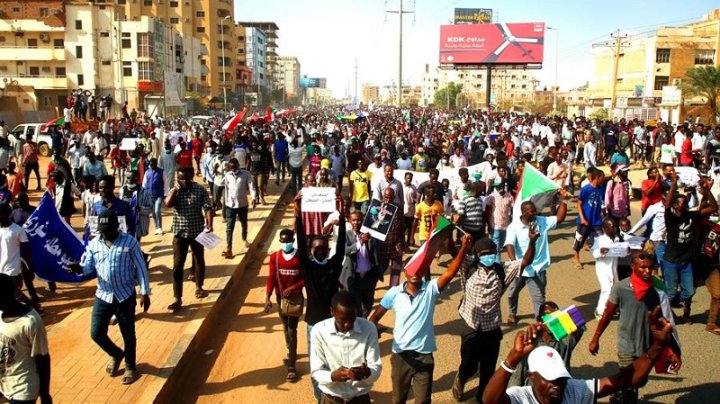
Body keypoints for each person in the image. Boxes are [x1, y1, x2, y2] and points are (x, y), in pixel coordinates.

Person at [483, 307, 676, 404]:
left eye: (561, 378)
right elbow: (490, 401)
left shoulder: (575, 391)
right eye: (550, 379)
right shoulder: (521, 397)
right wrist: (513, 358)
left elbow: (626, 379)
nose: (557, 385)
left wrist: (655, 349)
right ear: (531, 377)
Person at [369, 234, 472, 404]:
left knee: (423, 400)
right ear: (405, 271)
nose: (415, 272)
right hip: (401, 356)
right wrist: (375, 333)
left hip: (424, 356)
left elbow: (450, 272)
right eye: (411, 268)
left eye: (419, 268)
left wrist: (463, 250)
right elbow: (374, 318)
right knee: (398, 399)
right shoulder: (393, 293)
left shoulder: (430, 289)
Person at [452, 230, 538, 402]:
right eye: (484, 254)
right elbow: (452, 252)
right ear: (477, 256)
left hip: (491, 329)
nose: (489, 257)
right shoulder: (468, 266)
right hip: (471, 327)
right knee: (468, 365)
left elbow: (526, 261)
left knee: (488, 370)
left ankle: (482, 398)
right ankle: (461, 379)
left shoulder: (503, 270)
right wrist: (459, 244)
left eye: (492, 253)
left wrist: (532, 242)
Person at [70, 210, 150, 385]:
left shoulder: (130, 242)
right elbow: (88, 267)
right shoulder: (94, 244)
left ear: (116, 226)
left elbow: (141, 267)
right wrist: (79, 269)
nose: (105, 232)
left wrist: (145, 292)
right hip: (103, 296)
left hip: (125, 295)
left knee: (128, 334)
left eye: (108, 229)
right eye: (102, 230)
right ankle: (116, 354)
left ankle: (130, 366)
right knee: (96, 333)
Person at [294, 195, 346, 402]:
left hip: (333, 324)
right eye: (316, 248)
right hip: (313, 325)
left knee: (334, 361)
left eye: (323, 248)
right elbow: (300, 238)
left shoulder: (334, 266)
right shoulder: (308, 268)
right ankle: (320, 399)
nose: (320, 250)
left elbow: (340, 245)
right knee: (316, 365)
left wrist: (341, 215)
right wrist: (298, 214)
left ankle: (333, 393)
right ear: (311, 251)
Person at [504, 190, 569, 325]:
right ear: (523, 213)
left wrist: (564, 200)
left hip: (538, 269)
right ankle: (512, 312)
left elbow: (560, 218)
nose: (535, 213)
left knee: (539, 301)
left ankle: (540, 324)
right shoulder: (514, 227)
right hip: (520, 268)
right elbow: (509, 245)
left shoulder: (542, 221)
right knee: (511, 293)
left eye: (535, 210)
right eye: (532, 211)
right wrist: (515, 263)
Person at [662, 170, 717, 322]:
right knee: (672, 292)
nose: (685, 203)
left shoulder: (692, 216)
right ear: (675, 205)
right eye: (681, 202)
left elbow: (713, 208)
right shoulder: (671, 219)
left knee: (690, 291)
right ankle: (664, 308)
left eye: (685, 202)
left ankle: (663, 303)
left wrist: (707, 190)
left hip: (686, 261)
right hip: (671, 261)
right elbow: (666, 207)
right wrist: (673, 183)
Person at [310, 291, 382, 404]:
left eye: (352, 319)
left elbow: (376, 367)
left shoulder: (369, 329)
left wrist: (366, 372)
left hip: (360, 399)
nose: (348, 324)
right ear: (332, 312)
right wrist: (333, 376)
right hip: (331, 399)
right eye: (342, 320)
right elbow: (316, 371)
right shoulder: (319, 331)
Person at [164, 166, 214, 312]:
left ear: (191, 177)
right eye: (180, 178)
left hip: (197, 232)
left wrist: (209, 224)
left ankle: (199, 287)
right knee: (177, 266)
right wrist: (175, 189)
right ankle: (177, 298)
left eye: (186, 178)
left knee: (199, 260)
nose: (183, 181)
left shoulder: (199, 190)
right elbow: (167, 204)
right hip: (180, 234)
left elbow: (207, 207)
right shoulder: (175, 191)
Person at [0, 273, 52, 404]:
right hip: (4, 383)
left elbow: (43, 358)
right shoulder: (1, 313)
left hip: (24, 388)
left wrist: (45, 394)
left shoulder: (30, 322)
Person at [265, 228, 304, 383]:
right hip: (280, 299)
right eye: (283, 241)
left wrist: (293, 288)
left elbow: (305, 279)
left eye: (288, 241)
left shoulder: (300, 257)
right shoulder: (275, 257)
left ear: (293, 241)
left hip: (295, 300)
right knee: (284, 326)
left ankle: (292, 366)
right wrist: (267, 297)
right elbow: (271, 278)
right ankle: (290, 350)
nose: (286, 243)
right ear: (280, 241)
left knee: (292, 329)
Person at [341, 211, 381, 318]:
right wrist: (360, 243)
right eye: (353, 220)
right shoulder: (346, 235)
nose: (356, 222)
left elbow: (377, 252)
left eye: (359, 220)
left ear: (362, 221)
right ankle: (359, 325)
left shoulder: (369, 235)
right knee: (356, 305)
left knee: (368, 304)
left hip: (368, 277)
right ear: (349, 221)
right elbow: (345, 250)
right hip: (354, 277)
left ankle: (363, 322)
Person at [572, 167, 605, 270]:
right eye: (602, 177)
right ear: (597, 177)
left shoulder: (601, 189)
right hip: (585, 219)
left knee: (601, 239)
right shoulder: (586, 189)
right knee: (580, 239)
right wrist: (582, 218)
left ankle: (600, 258)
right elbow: (579, 203)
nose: (603, 179)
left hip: (597, 220)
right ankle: (576, 257)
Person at [223, 157, 255, 258]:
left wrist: (254, 198)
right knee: (229, 227)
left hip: (242, 204)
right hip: (230, 205)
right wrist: (225, 204)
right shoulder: (227, 175)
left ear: (238, 165)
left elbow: (251, 186)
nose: (232, 169)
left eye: (234, 167)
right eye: (230, 168)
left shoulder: (246, 174)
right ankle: (229, 248)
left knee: (244, 223)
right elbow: (226, 190)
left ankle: (244, 239)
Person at [591, 218, 622, 319]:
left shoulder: (617, 238)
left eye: (616, 226)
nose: (615, 228)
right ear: (605, 228)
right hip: (603, 268)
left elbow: (621, 252)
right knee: (607, 289)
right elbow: (593, 252)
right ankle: (599, 311)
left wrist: (626, 250)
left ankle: (613, 308)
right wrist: (601, 251)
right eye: (612, 227)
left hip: (614, 268)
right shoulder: (600, 240)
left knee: (615, 289)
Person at [484, 179, 515, 263]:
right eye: (497, 186)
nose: (498, 188)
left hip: (506, 226)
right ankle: (498, 265)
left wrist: (512, 219)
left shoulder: (509, 196)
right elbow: (486, 210)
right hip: (495, 226)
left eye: (500, 186)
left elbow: (513, 208)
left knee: (504, 245)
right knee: (496, 247)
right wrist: (488, 225)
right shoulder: (491, 197)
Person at [142, 158, 165, 235]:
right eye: (150, 165)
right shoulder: (147, 173)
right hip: (149, 196)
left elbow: (166, 183)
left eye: (152, 164)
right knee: (153, 213)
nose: (151, 166)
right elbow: (144, 184)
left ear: (156, 164)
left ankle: (159, 227)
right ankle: (156, 227)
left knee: (157, 210)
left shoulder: (161, 172)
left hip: (159, 195)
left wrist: (165, 194)